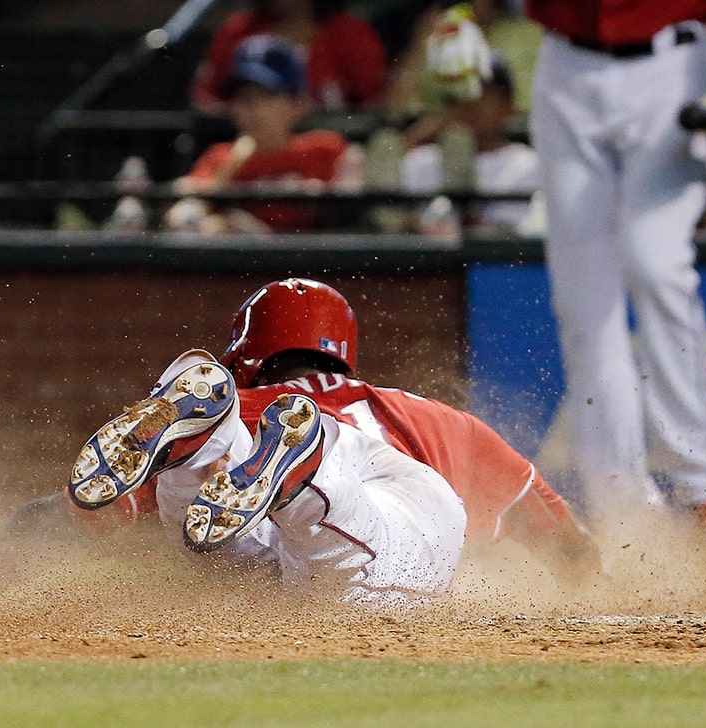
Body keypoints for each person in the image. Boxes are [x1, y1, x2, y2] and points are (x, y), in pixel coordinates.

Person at [63, 279, 601, 597]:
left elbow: (89, 512)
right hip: (392, 498)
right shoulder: (439, 419)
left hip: (291, 464)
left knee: (217, 536)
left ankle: (217, 446)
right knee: (336, 572)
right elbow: (560, 536)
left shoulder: (249, 401)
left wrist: (24, 538)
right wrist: (592, 584)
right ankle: (298, 473)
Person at [525, 2, 706, 528]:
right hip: (566, 67)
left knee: (656, 264)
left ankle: (702, 484)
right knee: (585, 301)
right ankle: (619, 508)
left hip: (672, 67)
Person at [164, 35, 349, 234]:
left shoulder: (326, 149)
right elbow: (184, 211)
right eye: (243, 97)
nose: (253, 107)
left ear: (297, 104)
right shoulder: (221, 157)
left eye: (268, 95)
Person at [400, 52, 541, 233]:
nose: (471, 102)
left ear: (508, 106)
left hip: (490, 257)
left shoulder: (527, 164)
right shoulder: (421, 160)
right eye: (461, 92)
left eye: (484, 92)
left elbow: (515, 235)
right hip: (429, 257)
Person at [190, 0, 387, 115]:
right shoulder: (239, 30)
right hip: (251, 149)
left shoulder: (350, 32)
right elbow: (205, 98)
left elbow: (376, 100)